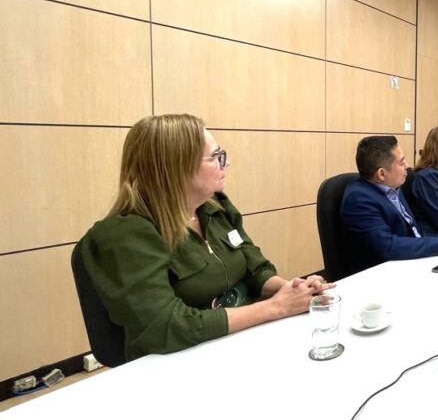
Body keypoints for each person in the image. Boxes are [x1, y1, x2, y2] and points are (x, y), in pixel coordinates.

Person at [76, 114, 331, 362]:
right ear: (176, 166)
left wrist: (291, 290)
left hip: (238, 341)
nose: (225, 163)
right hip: (176, 361)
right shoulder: (125, 235)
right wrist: (275, 308)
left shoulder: (214, 207)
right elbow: (166, 327)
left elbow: (255, 267)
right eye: (216, 157)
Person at [342, 135, 438, 270]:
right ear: (381, 174)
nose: (407, 166)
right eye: (402, 162)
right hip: (386, 270)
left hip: (412, 257)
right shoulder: (359, 199)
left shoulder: (392, 185)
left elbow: (412, 229)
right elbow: (387, 246)